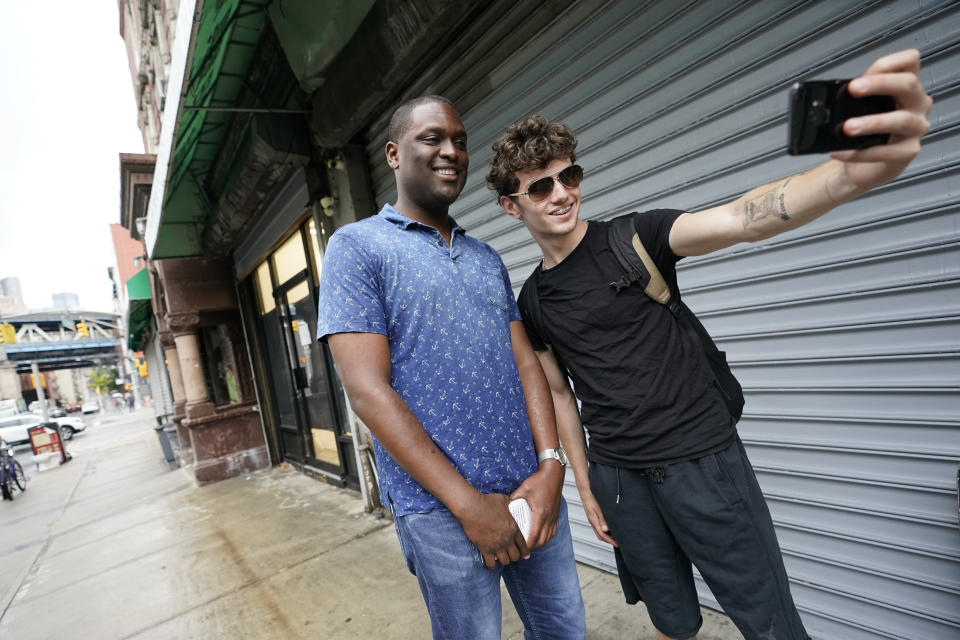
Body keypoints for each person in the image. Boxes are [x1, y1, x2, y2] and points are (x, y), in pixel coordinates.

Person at [486, 49, 931, 640]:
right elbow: (561, 397)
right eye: (540, 186)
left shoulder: (635, 237)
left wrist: (848, 176)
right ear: (510, 207)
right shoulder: (533, 300)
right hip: (621, 480)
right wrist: (587, 484)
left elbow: (741, 218)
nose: (562, 193)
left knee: (768, 620)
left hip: (703, 461)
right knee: (672, 619)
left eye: (570, 176)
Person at [315, 95, 586, 640]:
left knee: (565, 632)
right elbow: (367, 391)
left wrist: (551, 467)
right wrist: (467, 505)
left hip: (530, 492)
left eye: (460, 141)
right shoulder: (357, 247)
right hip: (439, 511)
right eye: (432, 138)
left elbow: (527, 365)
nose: (451, 151)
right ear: (393, 154)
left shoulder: (484, 257)